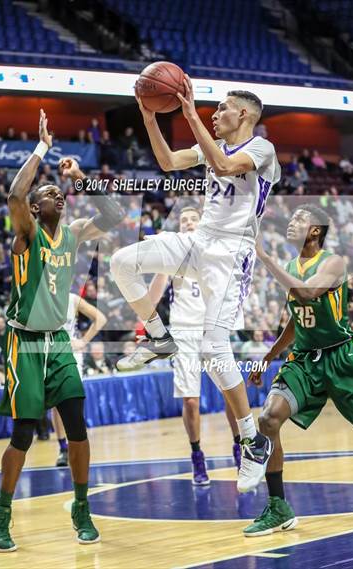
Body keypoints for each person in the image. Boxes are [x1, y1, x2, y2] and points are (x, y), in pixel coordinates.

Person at [111, 79, 281, 493]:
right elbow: (169, 162)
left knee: (212, 347)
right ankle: (157, 337)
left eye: (221, 109)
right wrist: (150, 118)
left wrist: (187, 113)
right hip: (199, 242)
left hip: (231, 255)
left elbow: (224, 167)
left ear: (243, 114)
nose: (213, 114)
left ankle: (251, 440)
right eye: (211, 110)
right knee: (121, 262)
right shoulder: (214, 147)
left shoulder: (261, 148)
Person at [0, 109, 125, 552]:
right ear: (35, 208)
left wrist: (80, 176)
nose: (58, 197)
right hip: (25, 342)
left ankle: (82, 507)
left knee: (78, 426)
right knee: (25, 433)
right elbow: (14, 193)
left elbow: (114, 215)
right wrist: (43, 149)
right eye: (50, 194)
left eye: (59, 194)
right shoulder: (26, 234)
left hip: (59, 342)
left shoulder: (72, 233)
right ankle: (2, 514)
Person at [243, 203, 353, 537]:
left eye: (299, 219)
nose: (291, 223)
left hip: (341, 358)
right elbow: (297, 317)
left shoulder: (333, 262)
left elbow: (307, 293)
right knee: (268, 419)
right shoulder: (292, 265)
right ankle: (278, 507)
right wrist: (269, 355)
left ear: (316, 230)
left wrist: (264, 257)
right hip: (305, 360)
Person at [149, 207, 241, 484]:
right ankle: (197, 456)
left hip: (213, 329)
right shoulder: (174, 256)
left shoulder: (215, 250)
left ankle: (240, 447)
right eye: (184, 220)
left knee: (230, 393)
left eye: (193, 219)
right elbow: (155, 292)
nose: (188, 222)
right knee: (190, 401)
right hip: (184, 330)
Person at [53, 292, 107, 467]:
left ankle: (77, 444)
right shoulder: (39, 298)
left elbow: (100, 318)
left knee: (73, 401)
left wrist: (83, 341)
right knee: (56, 404)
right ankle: (63, 448)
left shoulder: (72, 299)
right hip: (50, 354)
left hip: (71, 353)